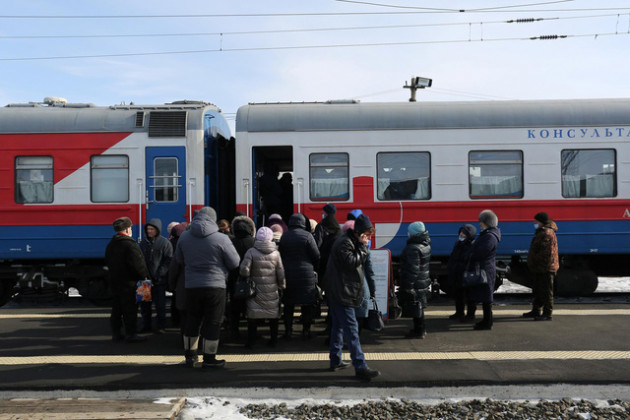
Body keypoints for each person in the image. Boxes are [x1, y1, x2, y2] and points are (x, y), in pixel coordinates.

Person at [175, 207, 240, 369]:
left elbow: (179, 259)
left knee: (192, 320)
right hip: (215, 285)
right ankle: (209, 358)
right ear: (213, 219)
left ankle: (190, 357)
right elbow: (234, 262)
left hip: (192, 285)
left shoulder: (184, 237)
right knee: (213, 321)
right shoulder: (221, 238)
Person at [324, 214, 380, 380]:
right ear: (360, 233)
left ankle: (335, 359)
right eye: (368, 235)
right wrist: (363, 248)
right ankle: (360, 366)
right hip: (342, 291)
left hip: (339, 290)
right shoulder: (344, 243)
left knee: (338, 326)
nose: (369, 239)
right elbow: (350, 262)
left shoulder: (349, 241)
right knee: (352, 330)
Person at [104, 217, 149, 343]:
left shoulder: (111, 244)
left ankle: (116, 333)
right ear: (128, 229)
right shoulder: (130, 245)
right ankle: (131, 334)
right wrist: (145, 276)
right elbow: (138, 265)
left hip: (115, 282)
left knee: (117, 309)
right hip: (129, 283)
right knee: (130, 309)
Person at [239, 227, 286, 348]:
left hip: (255, 290)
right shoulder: (276, 253)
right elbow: (280, 272)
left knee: (253, 315)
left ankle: (251, 341)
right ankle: (273, 340)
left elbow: (244, 270)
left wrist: (248, 276)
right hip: (272, 289)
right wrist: (282, 285)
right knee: (272, 315)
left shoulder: (251, 252)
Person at [278, 213, 320, 339]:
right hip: (305, 275)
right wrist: (313, 267)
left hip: (288, 274)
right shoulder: (307, 236)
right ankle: (306, 331)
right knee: (306, 305)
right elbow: (316, 255)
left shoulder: (284, 236)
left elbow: (281, 254)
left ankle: (288, 331)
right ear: (302, 223)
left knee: (288, 305)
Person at [468, 210, 501, 331]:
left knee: (487, 297)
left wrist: (472, 252)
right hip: (485, 268)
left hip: (485, 270)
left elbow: (481, 252)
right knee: (485, 296)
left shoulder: (489, 236)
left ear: (487, 222)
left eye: (481, 222)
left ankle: (488, 322)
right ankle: (486, 321)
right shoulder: (489, 235)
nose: (480, 224)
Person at [139, 219, 173, 334]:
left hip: (159, 280)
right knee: (144, 306)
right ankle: (146, 325)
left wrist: (160, 274)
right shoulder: (143, 243)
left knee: (160, 305)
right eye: (148, 229)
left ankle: (161, 326)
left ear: (157, 230)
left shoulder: (164, 243)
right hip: (144, 281)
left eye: (151, 229)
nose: (149, 231)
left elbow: (168, 260)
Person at [523, 212, 559, 321]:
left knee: (547, 292)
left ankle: (547, 314)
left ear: (541, 222)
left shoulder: (547, 233)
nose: (534, 222)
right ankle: (536, 310)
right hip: (541, 267)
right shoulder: (543, 232)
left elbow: (545, 252)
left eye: (536, 221)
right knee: (538, 290)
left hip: (546, 267)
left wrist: (534, 259)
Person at [399, 221, 431, 339]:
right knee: (419, 306)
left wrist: (408, 285)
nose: (408, 233)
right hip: (422, 280)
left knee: (416, 306)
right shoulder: (426, 244)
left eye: (409, 232)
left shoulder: (413, 248)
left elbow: (413, 269)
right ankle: (421, 329)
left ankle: (419, 331)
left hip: (416, 283)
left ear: (413, 233)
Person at [227, 214, 257, 339]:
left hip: (234, 278)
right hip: (252, 279)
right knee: (251, 307)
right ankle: (252, 334)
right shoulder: (254, 242)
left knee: (234, 308)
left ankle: (234, 332)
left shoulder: (230, 242)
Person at [447, 224, 477, 322]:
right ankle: (459, 312)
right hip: (457, 272)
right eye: (461, 232)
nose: (461, 234)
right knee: (458, 294)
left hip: (466, 274)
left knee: (470, 295)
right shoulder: (458, 244)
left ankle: (470, 315)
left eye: (464, 233)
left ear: (469, 235)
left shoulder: (472, 246)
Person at [167, 222, 188, 335]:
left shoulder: (180, 246)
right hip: (211, 286)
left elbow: (174, 269)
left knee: (185, 316)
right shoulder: (217, 242)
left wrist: (171, 285)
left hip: (183, 285)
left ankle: (187, 344)